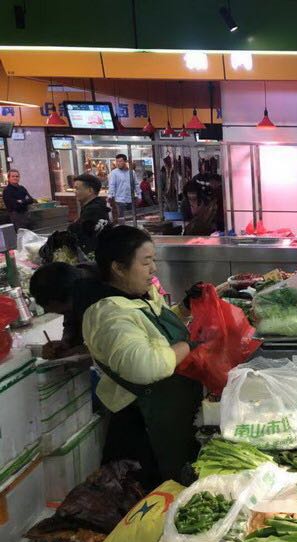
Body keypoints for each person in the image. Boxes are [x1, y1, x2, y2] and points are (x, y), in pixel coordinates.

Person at [81, 226, 202, 489]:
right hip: (143, 432)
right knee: (153, 499)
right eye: (146, 262)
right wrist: (191, 345)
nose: (153, 269)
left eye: (153, 261)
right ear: (118, 268)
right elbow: (146, 366)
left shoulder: (137, 297)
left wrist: (184, 309)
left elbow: (153, 332)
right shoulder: (109, 315)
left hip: (173, 420)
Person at [29, 262, 97, 359]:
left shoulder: (113, 284)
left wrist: (86, 350)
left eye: (65, 312)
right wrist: (66, 343)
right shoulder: (72, 286)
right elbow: (72, 321)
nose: (68, 315)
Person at [67, 173, 110, 254]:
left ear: (90, 190)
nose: (75, 192)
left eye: (77, 188)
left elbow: (77, 232)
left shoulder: (94, 210)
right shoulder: (96, 206)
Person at [107, 154, 140, 223]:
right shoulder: (114, 173)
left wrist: (139, 195)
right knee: (122, 219)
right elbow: (112, 185)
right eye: (117, 161)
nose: (118, 163)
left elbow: (136, 184)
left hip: (131, 200)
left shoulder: (132, 172)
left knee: (132, 219)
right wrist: (110, 196)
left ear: (125, 161)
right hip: (120, 201)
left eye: (120, 161)